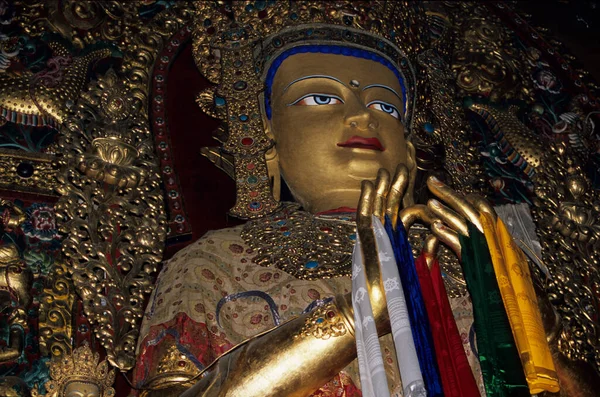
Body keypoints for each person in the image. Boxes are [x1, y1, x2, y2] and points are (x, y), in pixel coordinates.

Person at [133, 2, 597, 396]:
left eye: (386, 106)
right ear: (266, 135)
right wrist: (360, 312)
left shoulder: (472, 266)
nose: (361, 117)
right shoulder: (216, 262)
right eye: (319, 99)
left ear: (411, 150)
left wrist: (537, 327)